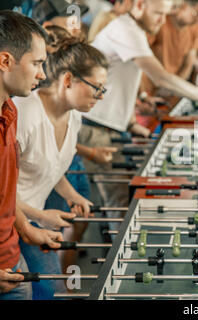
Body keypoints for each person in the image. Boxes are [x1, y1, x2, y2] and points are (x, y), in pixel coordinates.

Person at [79, 0, 198, 220]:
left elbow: (119, 78)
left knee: (120, 203)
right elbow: (160, 77)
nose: (161, 21)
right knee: (119, 208)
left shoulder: (133, 30)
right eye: (158, 14)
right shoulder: (125, 29)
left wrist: (132, 116)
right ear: (139, 5)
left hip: (111, 126)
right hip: (96, 128)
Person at [13, 37, 108, 300]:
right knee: (52, 290)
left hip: (32, 217)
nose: (100, 96)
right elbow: (2, 187)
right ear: (67, 80)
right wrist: (39, 216)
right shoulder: (25, 115)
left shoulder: (74, 115)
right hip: (12, 219)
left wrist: (72, 195)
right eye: (96, 88)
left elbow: (52, 166)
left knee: (52, 289)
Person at [0, 10, 63, 300]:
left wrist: (27, 229)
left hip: (11, 260)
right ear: (5, 61)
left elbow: (5, 194)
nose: (43, 74)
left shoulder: (9, 113)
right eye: (37, 63)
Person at [139, 0, 198, 97]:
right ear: (184, 6)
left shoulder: (195, 29)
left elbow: (189, 63)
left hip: (172, 88)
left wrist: (174, 88)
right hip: (149, 89)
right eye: (196, 13)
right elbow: (141, 59)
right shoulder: (160, 22)